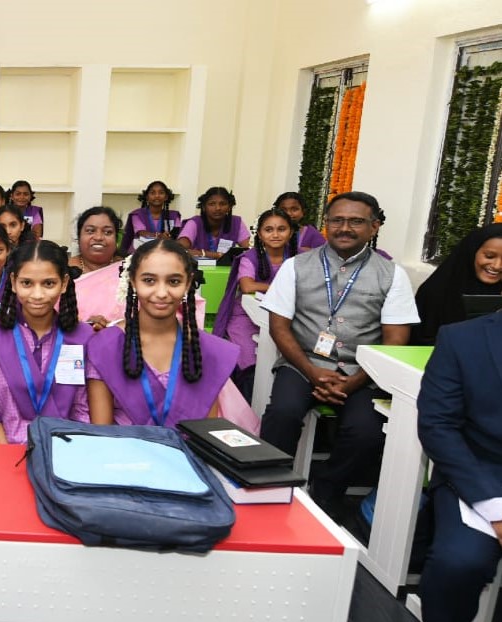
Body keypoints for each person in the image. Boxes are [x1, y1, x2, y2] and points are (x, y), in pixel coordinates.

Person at [259, 192, 419, 510]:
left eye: (356, 221)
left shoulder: (392, 274)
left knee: (367, 433)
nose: (345, 228)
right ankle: (268, 488)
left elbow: (396, 340)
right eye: (337, 220)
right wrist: (312, 372)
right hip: (302, 364)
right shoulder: (296, 266)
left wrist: (354, 381)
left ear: (374, 227)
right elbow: (279, 327)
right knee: (282, 414)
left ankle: (326, 491)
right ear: (326, 224)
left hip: (362, 371)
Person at [416, 311, 502, 622]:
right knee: (458, 563)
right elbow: (438, 426)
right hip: (479, 476)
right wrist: (495, 510)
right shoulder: (461, 338)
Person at [85, 239, 238, 426]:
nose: (162, 292)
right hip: (124, 451)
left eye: (174, 281)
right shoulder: (104, 347)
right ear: (133, 281)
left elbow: (206, 433)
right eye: (149, 280)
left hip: (188, 453)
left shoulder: (207, 349)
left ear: (188, 283)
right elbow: (103, 432)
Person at [0, 240, 92, 443]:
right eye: (27, 283)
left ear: (64, 283)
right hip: (3, 452)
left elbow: (82, 409)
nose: (38, 295)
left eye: (48, 283)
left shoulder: (82, 337)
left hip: (64, 452)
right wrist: (5, 452)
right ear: (13, 282)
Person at [212, 208, 298, 398]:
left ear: (291, 232)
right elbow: (248, 286)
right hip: (247, 316)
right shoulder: (250, 257)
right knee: (251, 360)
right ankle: (248, 405)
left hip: (288, 315)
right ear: (259, 234)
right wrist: (283, 288)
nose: (275, 234)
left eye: (281, 229)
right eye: (269, 229)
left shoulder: (299, 259)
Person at [412, 223, 502, 345]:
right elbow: (420, 341)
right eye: (489, 256)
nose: (497, 266)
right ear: (472, 252)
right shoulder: (437, 291)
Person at [177, 186, 251, 260]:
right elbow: (180, 249)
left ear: (229, 207)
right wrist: (214, 255)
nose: (218, 208)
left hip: (227, 270)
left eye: (223, 204)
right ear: (203, 207)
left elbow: (248, 251)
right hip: (197, 269)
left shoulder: (236, 223)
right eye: (212, 204)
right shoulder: (195, 223)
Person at [123, 180, 182, 254]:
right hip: (140, 253)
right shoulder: (137, 214)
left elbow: (177, 235)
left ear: (166, 197)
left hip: (166, 253)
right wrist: (160, 236)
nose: (157, 196)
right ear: (147, 197)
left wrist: (169, 237)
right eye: (152, 193)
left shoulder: (174, 216)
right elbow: (142, 233)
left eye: (161, 193)